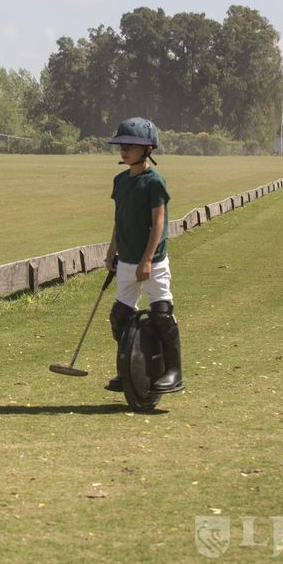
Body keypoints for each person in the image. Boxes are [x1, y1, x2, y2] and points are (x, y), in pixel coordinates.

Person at [103, 117, 184, 394]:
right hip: (126, 262)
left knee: (162, 315)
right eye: (122, 145)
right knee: (119, 317)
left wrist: (148, 259)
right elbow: (120, 220)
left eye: (131, 146)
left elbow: (159, 223)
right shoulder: (120, 181)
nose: (124, 150)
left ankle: (174, 372)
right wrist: (111, 251)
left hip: (153, 263)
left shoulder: (154, 182)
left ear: (148, 149)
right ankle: (127, 369)